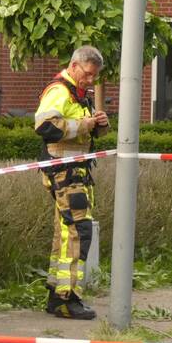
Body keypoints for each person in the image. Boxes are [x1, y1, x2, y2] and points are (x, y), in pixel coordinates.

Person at [34, 45, 109, 319]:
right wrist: (85, 125)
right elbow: (45, 127)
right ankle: (68, 298)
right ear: (75, 66)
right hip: (64, 171)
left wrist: (99, 123)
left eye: (94, 77)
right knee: (79, 230)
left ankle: (57, 294)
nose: (90, 80)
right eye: (88, 75)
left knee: (65, 232)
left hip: (74, 171)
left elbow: (84, 131)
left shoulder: (78, 94)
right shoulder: (59, 91)